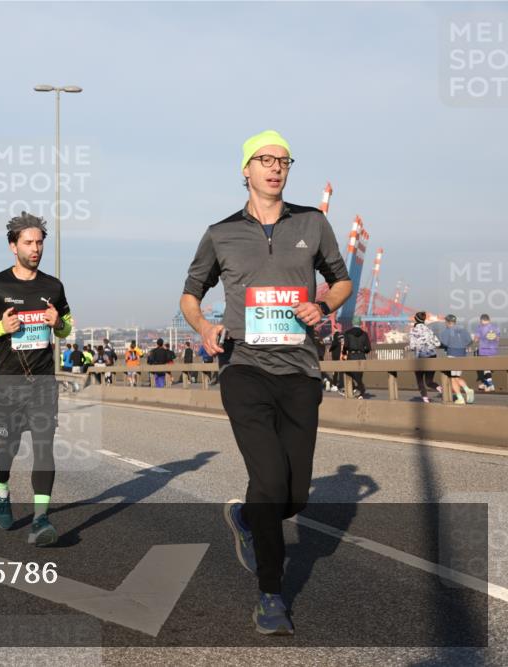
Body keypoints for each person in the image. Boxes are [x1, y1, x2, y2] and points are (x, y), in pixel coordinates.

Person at [180, 129, 352, 635]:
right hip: (244, 368)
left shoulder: (313, 223)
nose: (275, 168)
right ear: (246, 170)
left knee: (294, 496)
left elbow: (341, 279)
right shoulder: (220, 233)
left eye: (283, 160)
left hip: (300, 368)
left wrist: (322, 305)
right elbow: (190, 294)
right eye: (264, 160)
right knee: (271, 481)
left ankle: (249, 519)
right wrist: (205, 326)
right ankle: (271, 595)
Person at [0, 211, 73, 546]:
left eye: (39, 242)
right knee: (9, 445)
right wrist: (0, 328)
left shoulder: (53, 286)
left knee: (44, 446)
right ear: (13, 246)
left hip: (42, 382)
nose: (35, 248)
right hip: (6, 383)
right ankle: (1, 486)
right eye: (28, 242)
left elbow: (67, 327)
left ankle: (40, 519)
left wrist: (58, 324)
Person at [438, 314, 474, 404]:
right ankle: (467, 389)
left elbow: (444, 343)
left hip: (452, 354)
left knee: (452, 378)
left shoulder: (447, 331)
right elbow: (469, 340)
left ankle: (460, 398)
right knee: (457, 376)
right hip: (462, 354)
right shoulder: (463, 330)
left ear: (447, 322)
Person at [408, 311, 441, 402]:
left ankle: (425, 398)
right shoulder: (429, 330)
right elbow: (438, 343)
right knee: (429, 381)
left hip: (420, 358)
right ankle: (441, 389)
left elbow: (412, 346)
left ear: (415, 319)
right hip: (432, 356)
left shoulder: (413, 331)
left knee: (420, 381)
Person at [341, 316, 371, 398]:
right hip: (361, 356)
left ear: (352, 323)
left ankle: (358, 389)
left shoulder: (347, 333)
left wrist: (344, 352)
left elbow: (346, 345)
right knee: (359, 376)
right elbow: (368, 348)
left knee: (350, 373)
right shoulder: (364, 334)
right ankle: (359, 391)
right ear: (360, 323)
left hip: (352, 356)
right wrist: (363, 351)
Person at [474, 313, 499, 392]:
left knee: (485, 368)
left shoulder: (480, 327)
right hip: (493, 350)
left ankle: (489, 385)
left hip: (484, 350)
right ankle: (487, 384)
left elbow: (476, 339)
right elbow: (497, 339)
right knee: (487, 368)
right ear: (489, 320)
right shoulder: (495, 327)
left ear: (481, 320)